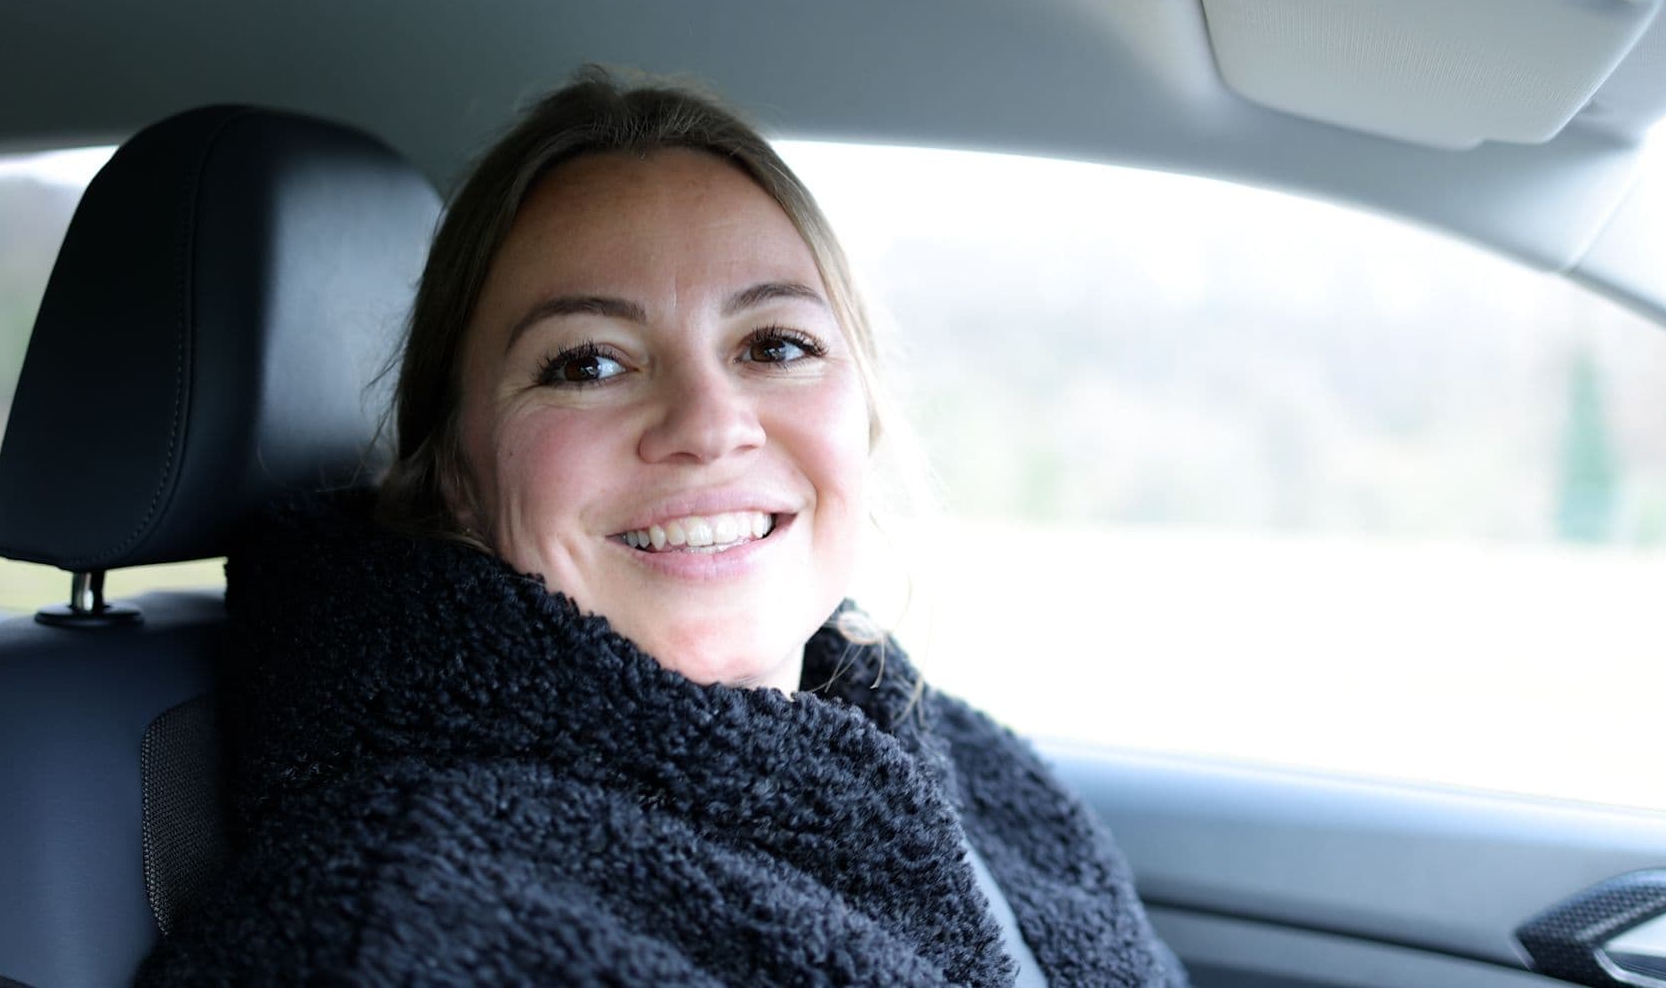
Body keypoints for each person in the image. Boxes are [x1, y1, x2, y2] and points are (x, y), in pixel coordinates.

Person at [139, 67, 1189, 986]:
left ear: (863, 410)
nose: (708, 424)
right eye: (587, 363)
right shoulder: (396, 923)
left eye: (775, 345)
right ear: (455, 474)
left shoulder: (958, 766)